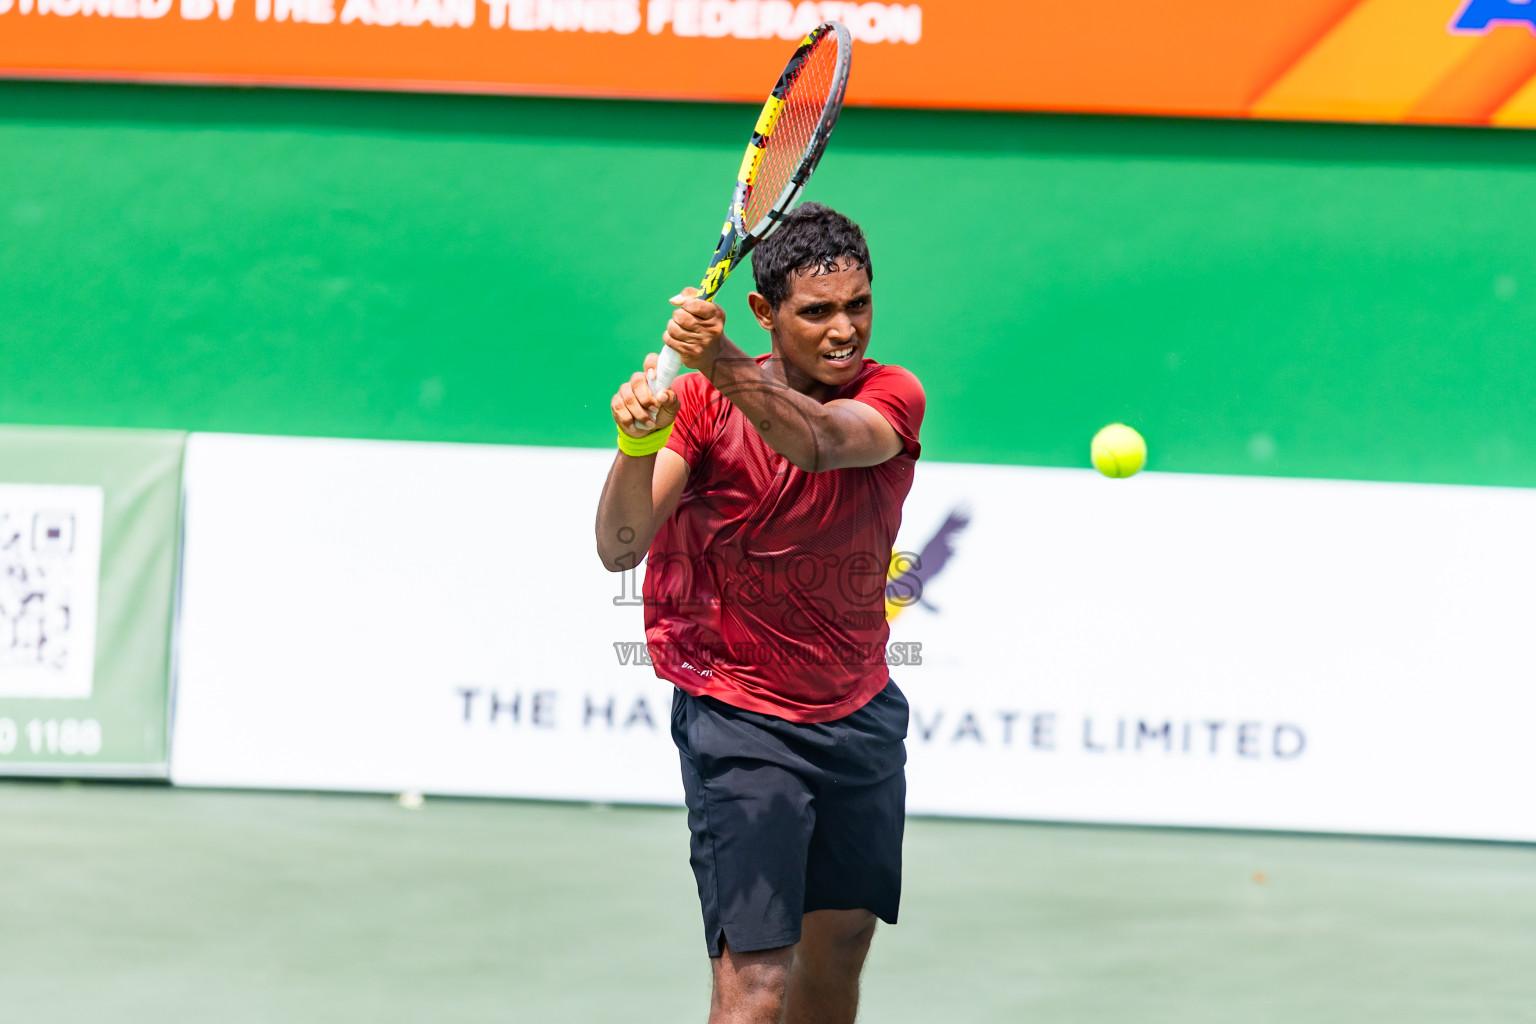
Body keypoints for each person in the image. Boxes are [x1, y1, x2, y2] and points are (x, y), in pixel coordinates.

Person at [595, 202, 924, 1024]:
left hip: (859, 713)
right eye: (817, 311)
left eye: (859, 303)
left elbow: (818, 442)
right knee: (756, 985)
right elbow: (620, 545)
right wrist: (639, 444)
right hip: (740, 721)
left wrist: (720, 359)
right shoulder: (704, 404)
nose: (844, 328)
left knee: (840, 949)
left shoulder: (893, 396)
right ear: (764, 314)